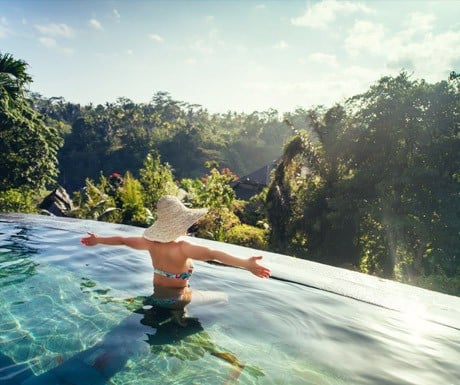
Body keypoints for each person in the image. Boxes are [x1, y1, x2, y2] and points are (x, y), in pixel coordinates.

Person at [80, 195, 271, 308]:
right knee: (223, 298)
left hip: (155, 298)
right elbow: (214, 254)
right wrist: (246, 264)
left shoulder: (150, 243)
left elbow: (122, 240)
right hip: (176, 300)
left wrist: (97, 240)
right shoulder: (183, 247)